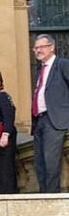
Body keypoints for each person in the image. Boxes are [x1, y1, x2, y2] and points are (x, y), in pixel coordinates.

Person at [31, 34, 69, 193]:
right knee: (39, 163)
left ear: (52, 47)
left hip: (55, 120)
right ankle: (43, 197)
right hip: (39, 120)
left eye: (41, 47)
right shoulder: (40, 70)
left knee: (51, 162)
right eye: (35, 48)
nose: (38, 50)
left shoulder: (62, 64)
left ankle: (51, 198)